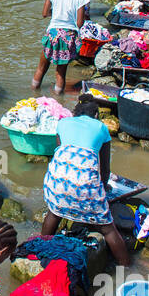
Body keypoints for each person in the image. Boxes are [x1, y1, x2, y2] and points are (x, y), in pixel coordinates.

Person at [42, 97, 131, 265]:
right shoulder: (101, 128)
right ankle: (126, 267)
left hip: (57, 181)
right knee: (107, 229)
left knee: (54, 213)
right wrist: (102, 192)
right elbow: (104, 169)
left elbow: (61, 154)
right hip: (84, 184)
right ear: (96, 115)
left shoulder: (63, 123)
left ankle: (42, 247)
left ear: (75, 113)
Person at [32, 0, 89, 94]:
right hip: (68, 37)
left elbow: (44, 13)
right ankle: (58, 98)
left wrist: (56, 12)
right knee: (61, 73)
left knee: (41, 69)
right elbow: (80, 23)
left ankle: (34, 94)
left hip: (52, 34)